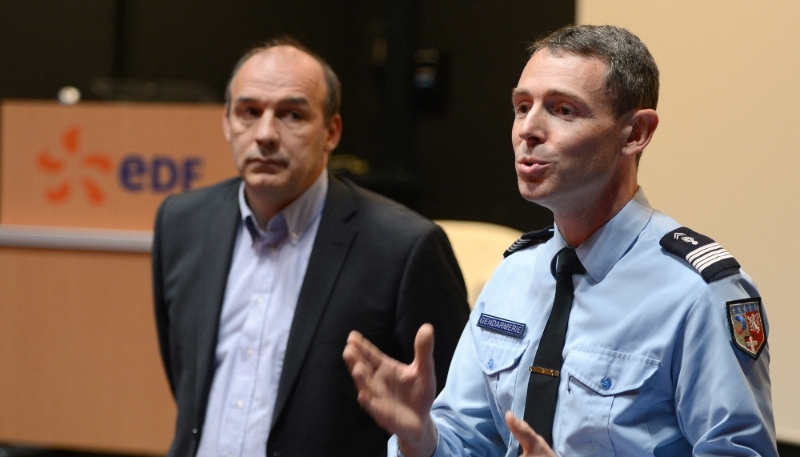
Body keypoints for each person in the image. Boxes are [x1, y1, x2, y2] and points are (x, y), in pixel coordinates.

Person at [343, 25, 776, 456]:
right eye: (521, 106)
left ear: (636, 133)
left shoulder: (699, 291)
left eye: (563, 109)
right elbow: (470, 440)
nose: (528, 130)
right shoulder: (514, 274)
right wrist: (420, 437)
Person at [152, 37, 470, 457]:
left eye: (291, 115)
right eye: (250, 112)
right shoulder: (182, 223)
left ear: (331, 131)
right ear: (227, 121)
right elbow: (186, 377)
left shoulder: (404, 247)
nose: (265, 134)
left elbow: (454, 424)